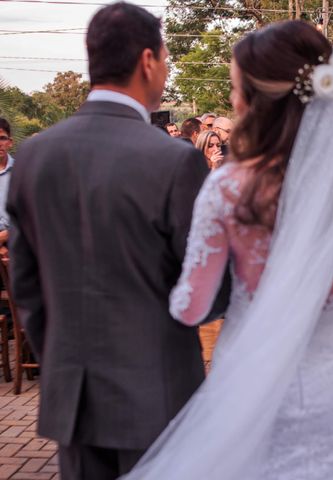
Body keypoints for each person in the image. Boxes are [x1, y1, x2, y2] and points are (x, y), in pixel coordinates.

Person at [124, 20, 333, 479]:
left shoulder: (227, 187)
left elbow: (192, 308)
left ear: (255, 100)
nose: (232, 101)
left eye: (235, 89)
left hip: (249, 377)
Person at [7, 3, 230, 478]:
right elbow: (207, 291)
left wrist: (66, 360)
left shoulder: (34, 155)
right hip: (159, 396)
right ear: (147, 60)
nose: (166, 69)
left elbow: (26, 284)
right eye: (167, 58)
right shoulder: (173, 162)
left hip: (74, 401)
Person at [0, 118, 15, 252]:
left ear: (10, 142)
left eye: (2, 138)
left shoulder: (22, 170)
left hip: (15, 247)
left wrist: (5, 236)